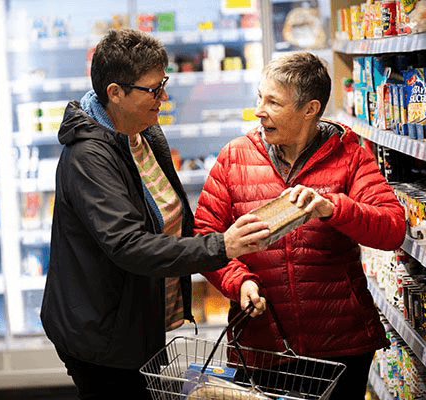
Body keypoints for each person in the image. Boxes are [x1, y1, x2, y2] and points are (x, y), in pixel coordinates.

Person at [40, 28, 270, 400]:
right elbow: (130, 245)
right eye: (153, 89)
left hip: (135, 319)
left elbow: (174, 221)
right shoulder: (89, 158)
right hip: (102, 336)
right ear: (115, 93)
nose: (164, 96)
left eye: (163, 82)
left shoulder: (141, 132)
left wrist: (234, 272)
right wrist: (222, 246)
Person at [194, 52, 407, 400]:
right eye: (259, 98)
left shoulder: (349, 155)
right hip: (263, 346)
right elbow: (205, 236)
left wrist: (333, 208)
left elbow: (392, 228)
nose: (259, 111)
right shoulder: (235, 158)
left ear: (309, 109)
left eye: (273, 102)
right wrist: (239, 282)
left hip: (341, 345)